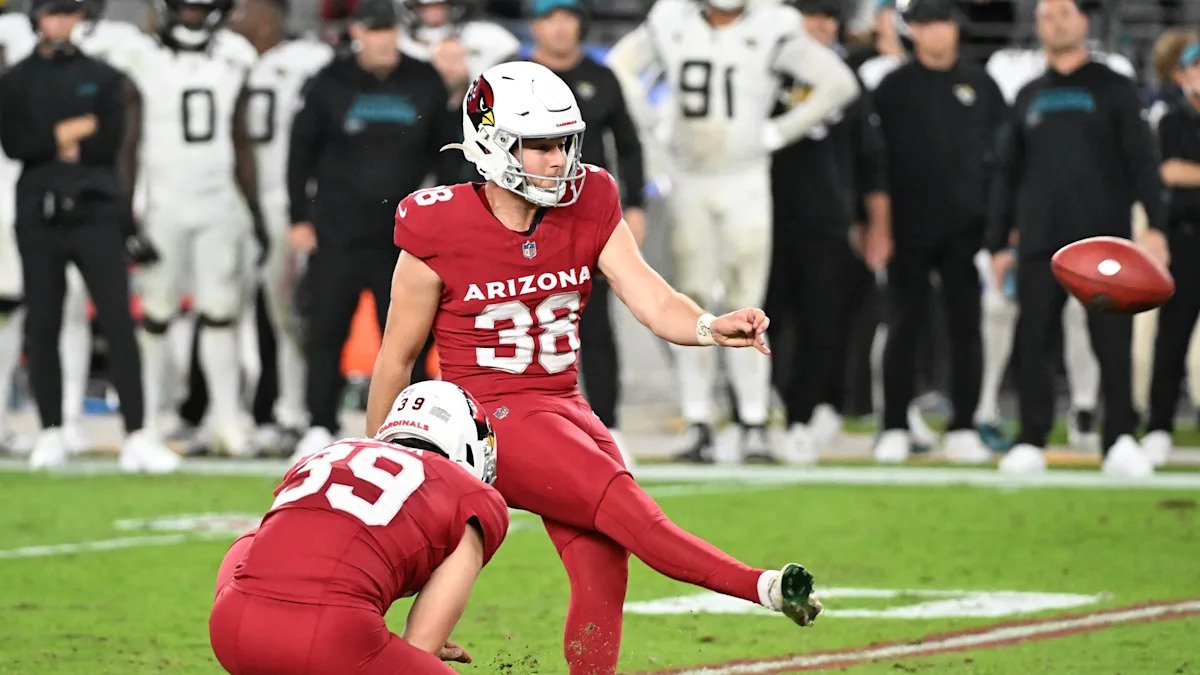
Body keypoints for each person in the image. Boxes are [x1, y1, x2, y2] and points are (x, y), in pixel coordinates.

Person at [366, 62, 822, 674]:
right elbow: (395, 360)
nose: (558, 160)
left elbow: (654, 298)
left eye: (564, 143)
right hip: (491, 419)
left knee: (604, 564)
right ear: (492, 142)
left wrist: (710, 326)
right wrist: (377, 457)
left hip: (566, 405)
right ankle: (763, 587)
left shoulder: (592, 197)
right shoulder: (437, 223)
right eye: (540, 145)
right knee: (633, 515)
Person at [609, 0, 858, 462]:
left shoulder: (773, 24)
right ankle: (699, 418)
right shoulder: (671, 19)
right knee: (691, 298)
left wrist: (777, 132)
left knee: (747, 299)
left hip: (744, 177)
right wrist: (652, 120)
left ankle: (753, 419)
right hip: (689, 175)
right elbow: (619, 66)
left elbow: (839, 83)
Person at [209, 380, 507, 673]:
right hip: (331, 640)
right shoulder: (470, 494)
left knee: (259, 534)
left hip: (231, 627)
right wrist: (406, 655)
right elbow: (421, 646)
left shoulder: (325, 453)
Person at [989, 0, 1167, 477]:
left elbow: (1143, 162)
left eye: (1064, 13)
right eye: (1046, 16)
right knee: (1033, 342)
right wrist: (998, 243)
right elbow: (1007, 174)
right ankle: (1031, 439)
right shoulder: (1028, 95)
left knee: (1112, 343)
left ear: (1084, 21)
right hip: (1039, 242)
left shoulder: (1115, 87)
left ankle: (1120, 438)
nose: (1055, 23)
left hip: (1104, 242)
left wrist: (1155, 225)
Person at [0, 0, 178, 471]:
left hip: (97, 210)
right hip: (38, 212)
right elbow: (16, 144)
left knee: (117, 320)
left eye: (68, 13)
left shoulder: (102, 75)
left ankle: (137, 433)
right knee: (43, 322)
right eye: (52, 13)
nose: (60, 22)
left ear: (80, 19)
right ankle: (52, 430)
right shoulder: (15, 80)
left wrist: (51, 138)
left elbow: (108, 141)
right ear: (38, 19)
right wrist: (67, 133)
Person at [286, 0, 456, 461]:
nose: (381, 39)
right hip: (336, 229)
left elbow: (447, 154)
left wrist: (447, 220)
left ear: (398, 32)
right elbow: (300, 151)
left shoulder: (424, 79)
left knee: (408, 336)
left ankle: (417, 429)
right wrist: (299, 217)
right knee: (326, 328)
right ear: (357, 32)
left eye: (388, 30)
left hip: (403, 237)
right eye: (373, 30)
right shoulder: (329, 80)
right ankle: (319, 423)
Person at [870, 0, 1004, 464]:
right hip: (906, 227)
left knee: (966, 327)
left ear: (955, 28)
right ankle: (894, 425)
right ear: (913, 30)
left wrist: (1000, 227)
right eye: (925, 24)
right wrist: (877, 225)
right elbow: (874, 163)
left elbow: (1004, 161)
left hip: (968, 229)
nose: (935, 33)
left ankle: (964, 425)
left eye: (942, 23)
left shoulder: (982, 86)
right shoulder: (893, 88)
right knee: (903, 324)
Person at [127, 0, 264, 454]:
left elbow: (240, 139)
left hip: (219, 201)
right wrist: (128, 211)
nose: (191, 15)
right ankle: (148, 420)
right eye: (184, 7)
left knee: (221, 312)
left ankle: (225, 419)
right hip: (162, 202)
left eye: (199, 7)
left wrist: (254, 210)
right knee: (156, 313)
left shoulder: (235, 55)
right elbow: (130, 138)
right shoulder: (143, 57)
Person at [767, 0, 890, 463]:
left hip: (827, 224)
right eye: (813, 15)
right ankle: (758, 415)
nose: (822, 24)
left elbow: (871, 161)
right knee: (761, 321)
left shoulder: (847, 82)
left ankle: (803, 416)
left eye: (829, 17)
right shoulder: (767, 75)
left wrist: (876, 225)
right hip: (765, 221)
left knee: (821, 326)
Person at [528, 0, 645, 468]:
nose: (560, 28)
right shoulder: (513, 78)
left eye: (568, 18)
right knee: (526, 322)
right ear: (535, 25)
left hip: (584, 217)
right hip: (526, 216)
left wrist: (635, 205)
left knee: (595, 325)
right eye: (550, 18)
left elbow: (629, 146)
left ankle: (609, 427)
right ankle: (530, 427)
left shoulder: (602, 78)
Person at [229, 0, 333, 455]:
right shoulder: (226, 58)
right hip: (239, 201)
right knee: (237, 312)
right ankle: (247, 412)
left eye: (249, 10)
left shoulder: (307, 60)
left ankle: (295, 411)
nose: (238, 19)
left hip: (289, 202)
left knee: (290, 313)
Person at [1142, 43, 1200, 468]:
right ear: (1182, 75)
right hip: (1184, 239)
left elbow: (1182, 171)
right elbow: (1166, 170)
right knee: (1172, 336)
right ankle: (1159, 427)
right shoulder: (1169, 119)